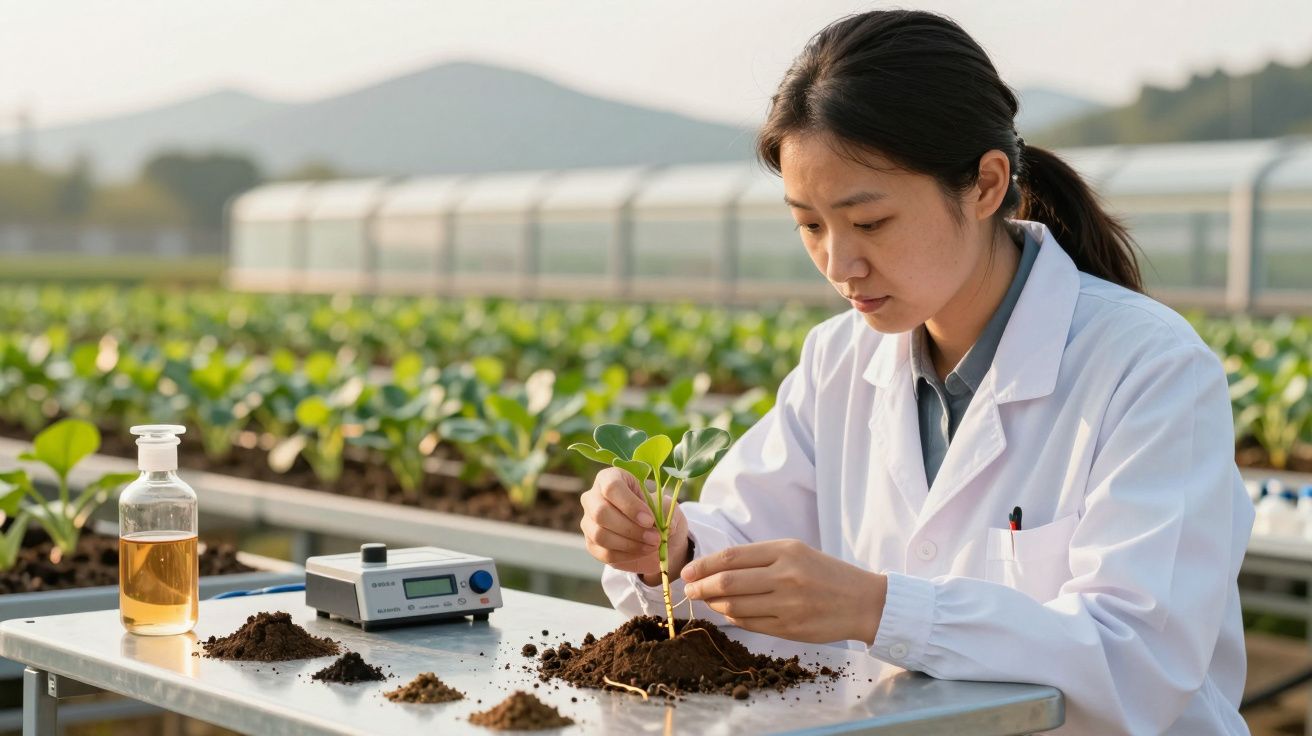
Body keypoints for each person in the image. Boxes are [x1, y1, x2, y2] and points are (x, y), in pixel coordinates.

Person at [579, 9, 1253, 735]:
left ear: (986, 185)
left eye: (869, 222)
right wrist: (670, 549)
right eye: (810, 224)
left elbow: (1139, 660)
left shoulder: (1148, 369)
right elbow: (743, 543)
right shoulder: (839, 361)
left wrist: (877, 608)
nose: (840, 264)